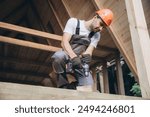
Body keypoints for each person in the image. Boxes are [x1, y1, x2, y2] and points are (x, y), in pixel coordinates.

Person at [51, 9, 113, 89]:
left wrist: (87, 56)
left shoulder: (97, 35)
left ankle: (71, 87)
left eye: (103, 27)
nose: (101, 29)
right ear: (95, 17)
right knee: (58, 56)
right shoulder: (73, 22)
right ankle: (63, 85)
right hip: (67, 56)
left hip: (79, 61)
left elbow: (89, 51)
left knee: (88, 86)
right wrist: (73, 57)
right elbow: (64, 42)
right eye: (101, 24)